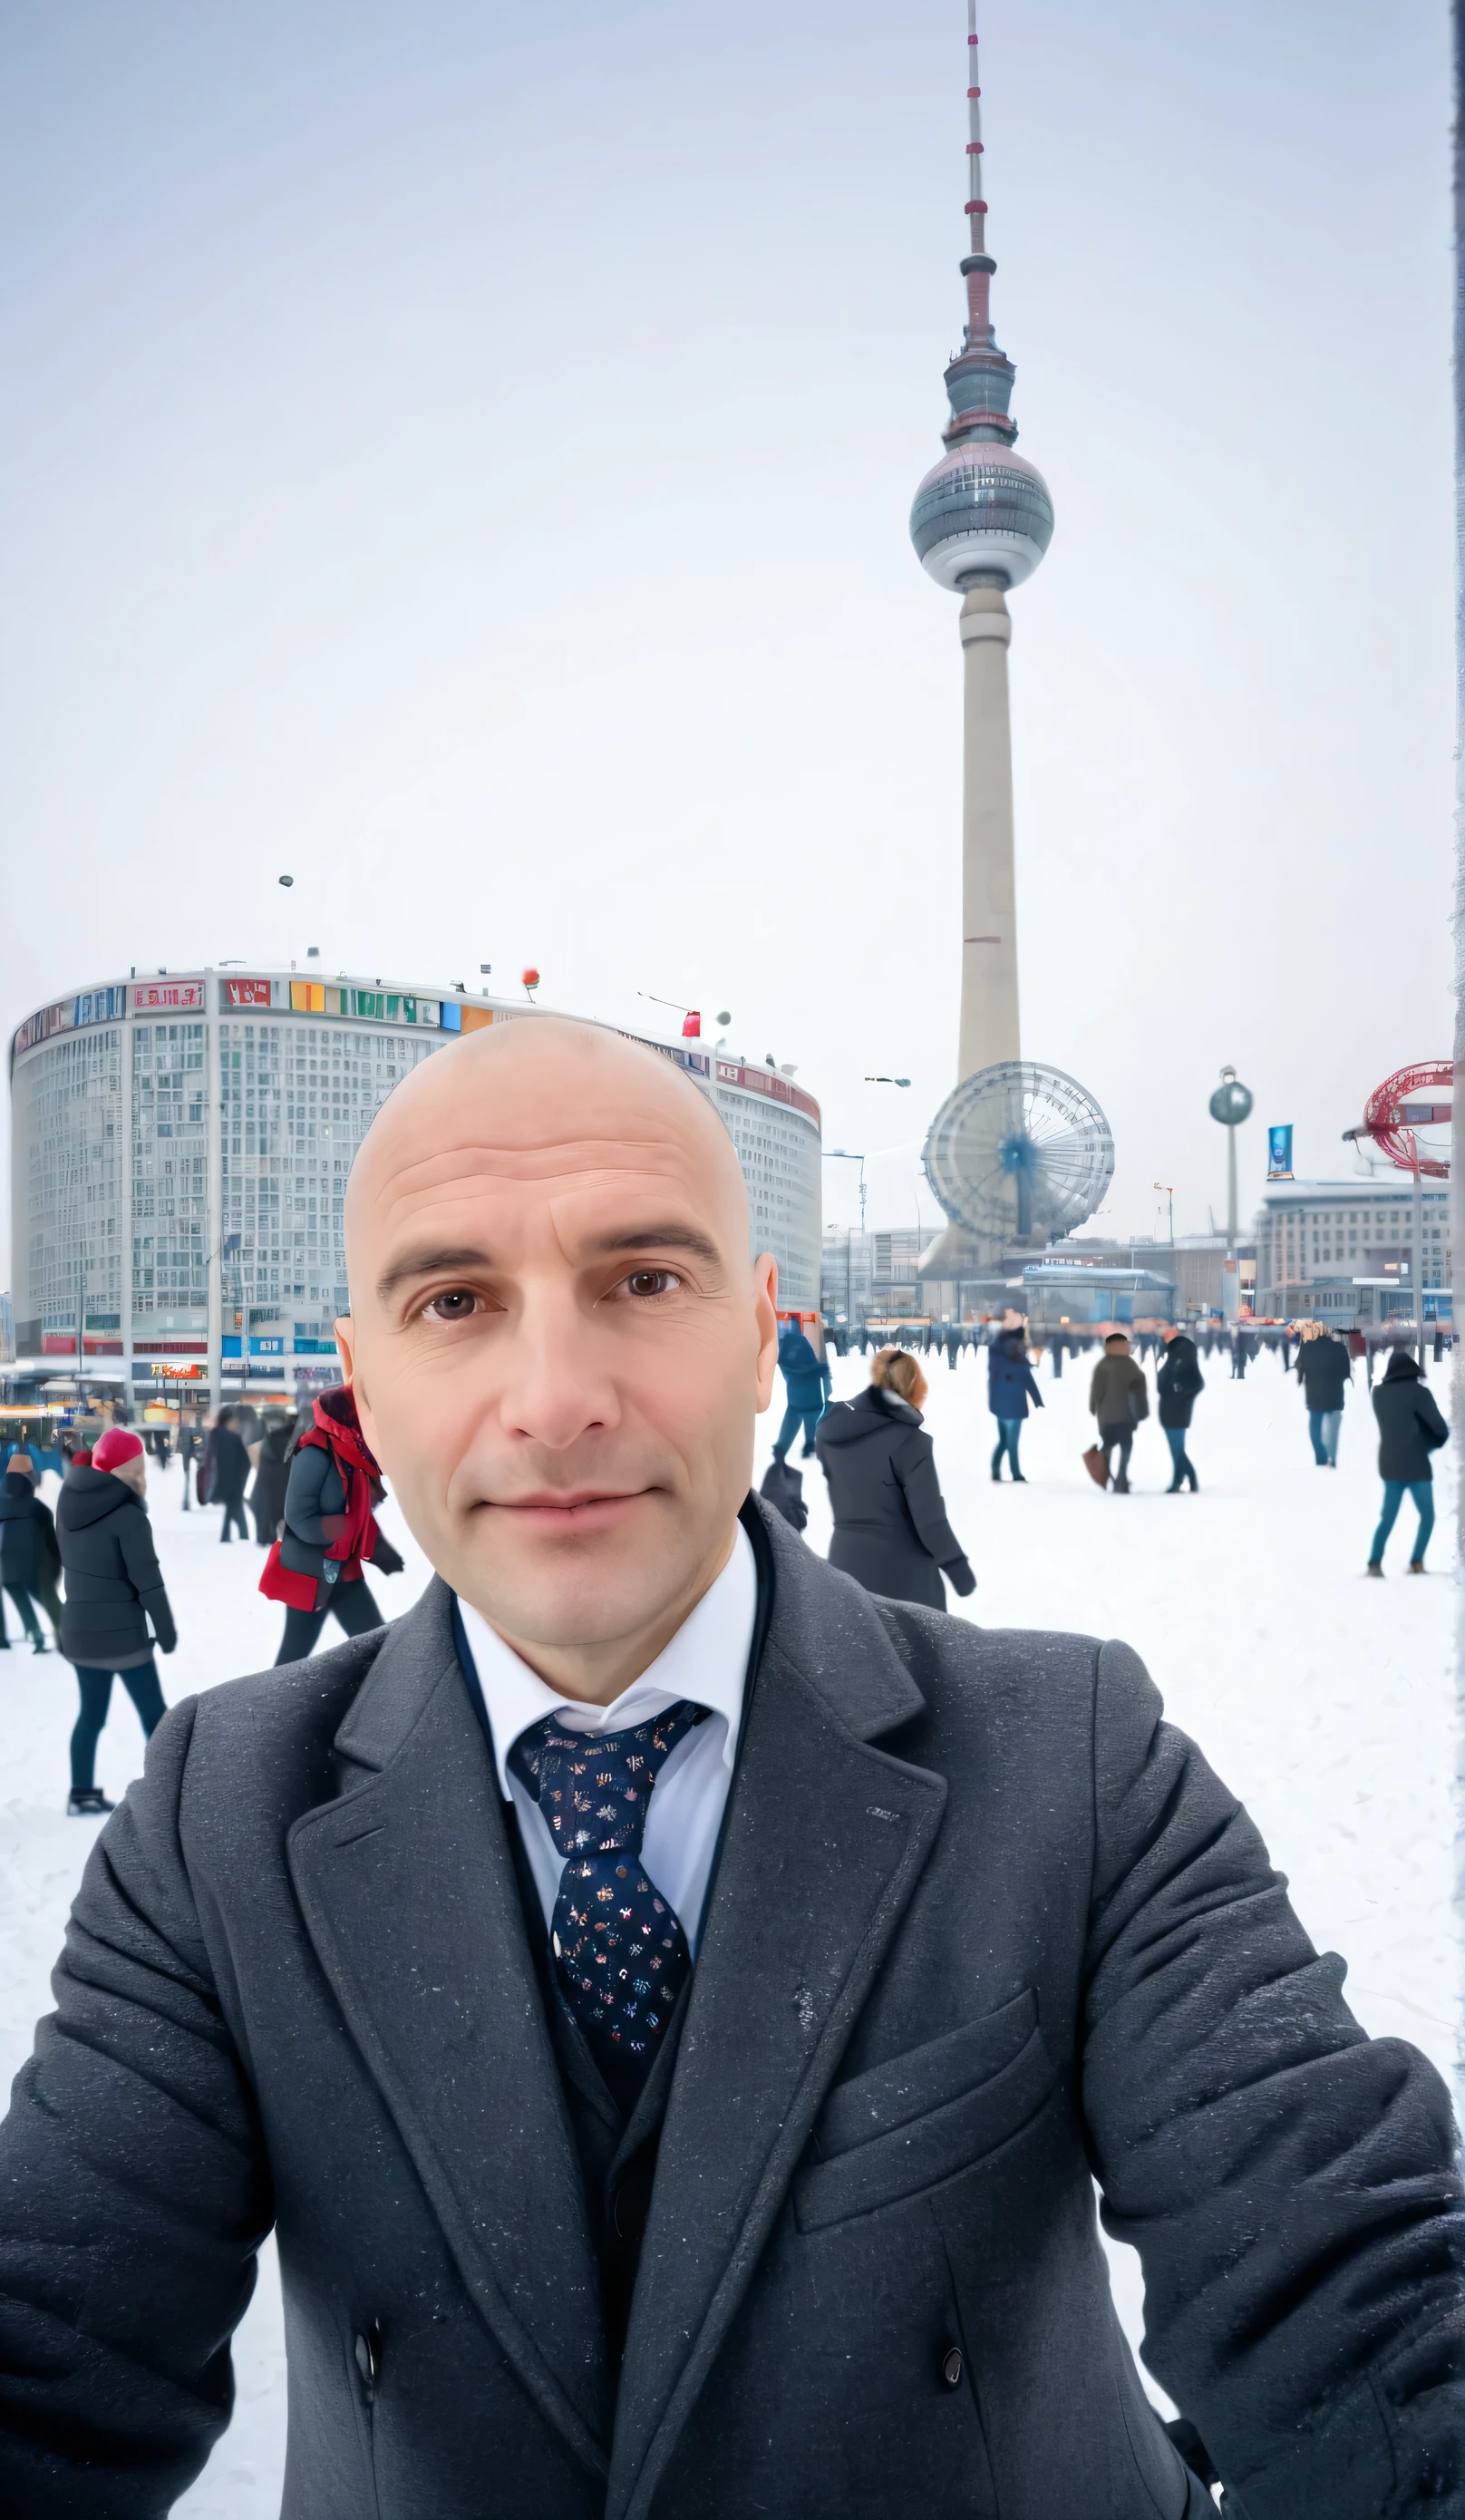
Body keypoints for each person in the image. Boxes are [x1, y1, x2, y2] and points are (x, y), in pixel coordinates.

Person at [0, 1018, 1460, 2519]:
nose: (556, 1398)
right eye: (456, 1299)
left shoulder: (1070, 1762)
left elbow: (1352, 2288)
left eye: (643, 1280)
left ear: (764, 1331)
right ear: (365, 1388)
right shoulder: (219, 1820)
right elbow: (52, 2329)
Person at [53, 1425, 175, 1819]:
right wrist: (166, 1628)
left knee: (90, 1716)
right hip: (123, 1639)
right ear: (130, 1467)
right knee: (156, 1714)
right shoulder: (128, 1516)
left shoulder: (69, 1501)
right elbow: (148, 1580)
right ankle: (171, 1792)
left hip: (80, 1633)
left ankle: (81, 1793)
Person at [816, 1345, 975, 1610]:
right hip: (904, 1578)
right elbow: (930, 1520)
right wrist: (958, 1569)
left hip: (844, 1568)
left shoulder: (828, 1431)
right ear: (916, 1387)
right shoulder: (910, 1442)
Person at [260, 1386, 400, 1663]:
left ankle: (381, 1703)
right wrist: (339, 1530)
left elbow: (359, 1513)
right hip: (310, 1573)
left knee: (375, 1648)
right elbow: (298, 1516)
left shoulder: (352, 1456)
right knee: (292, 1659)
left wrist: (382, 1551)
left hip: (343, 1572)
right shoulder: (315, 1453)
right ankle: (269, 1704)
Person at [1366, 1348, 1450, 1575]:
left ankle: (1375, 1562)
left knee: (1388, 1517)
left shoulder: (1378, 1393)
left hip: (1390, 1463)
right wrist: (1430, 1445)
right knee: (1428, 1516)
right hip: (1417, 1464)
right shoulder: (1420, 1393)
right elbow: (1440, 1429)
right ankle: (1416, 1561)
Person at [0, 1453, 62, 1649]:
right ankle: (66, 1635)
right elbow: (51, 1543)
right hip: (35, 1563)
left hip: (6, 1563)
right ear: (30, 1477)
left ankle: (31, 1631)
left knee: (15, 1590)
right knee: (48, 1598)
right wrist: (56, 1567)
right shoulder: (38, 1508)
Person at [1088, 1329, 1149, 1491]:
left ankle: (1107, 1476)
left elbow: (1096, 1391)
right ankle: (1121, 1477)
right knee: (1126, 1447)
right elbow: (1140, 1388)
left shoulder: (1103, 1365)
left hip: (1106, 1417)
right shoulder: (1129, 1365)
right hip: (1126, 1417)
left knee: (1108, 1446)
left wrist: (1093, 1407)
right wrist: (1142, 1411)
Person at [986, 1309, 1043, 1481]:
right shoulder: (1018, 1361)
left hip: (1000, 1404)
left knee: (1004, 1440)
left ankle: (996, 1469)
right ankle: (1016, 1473)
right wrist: (1038, 1399)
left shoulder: (997, 1354)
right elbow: (1028, 1380)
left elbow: (992, 1380)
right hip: (1015, 1404)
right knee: (1012, 1441)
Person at [771, 1317, 830, 1464]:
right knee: (807, 1418)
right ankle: (807, 1446)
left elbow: (785, 1365)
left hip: (797, 1394)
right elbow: (815, 1364)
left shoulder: (786, 1346)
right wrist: (822, 1373)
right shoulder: (802, 1343)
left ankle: (784, 1448)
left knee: (794, 1417)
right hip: (811, 1395)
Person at [1156, 1321, 1203, 1492]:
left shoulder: (1184, 1365)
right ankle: (1178, 1479)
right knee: (1176, 1449)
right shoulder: (1173, 1361)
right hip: (1169, 1412)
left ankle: (1190, 1477)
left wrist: (1180, 1395)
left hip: (1177, 1412)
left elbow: (1196, 1384)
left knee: (1177, 1450)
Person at [1295, 1321, 1350, 1466]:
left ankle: (1321, 1457)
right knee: (1333, 1430)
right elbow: (1346, 1373)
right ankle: (1332, 1458)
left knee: (1315, 1429)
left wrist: (1300, 1379)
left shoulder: (1306, 1348)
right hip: (1336, 1396)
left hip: (1314, 1395)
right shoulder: (1340, 1348)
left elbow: (1300, 1367)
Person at [205, 1404, 251, 1541]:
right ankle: (242, 1538)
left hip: (232, 1482)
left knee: (234, 1509)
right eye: (235, 1420)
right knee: (237, 1510)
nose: (238, 1423)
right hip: (231, 1482)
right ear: (227, 1420)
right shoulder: (227, 1437)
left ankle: (227, 1536)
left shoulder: (223, 1436)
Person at [250, 1406, 293, 1546]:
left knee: (265, 1511)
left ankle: (265, 1538)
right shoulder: (291, 1440)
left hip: (269, 1484)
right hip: (286, 1485)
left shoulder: (266, 1442)